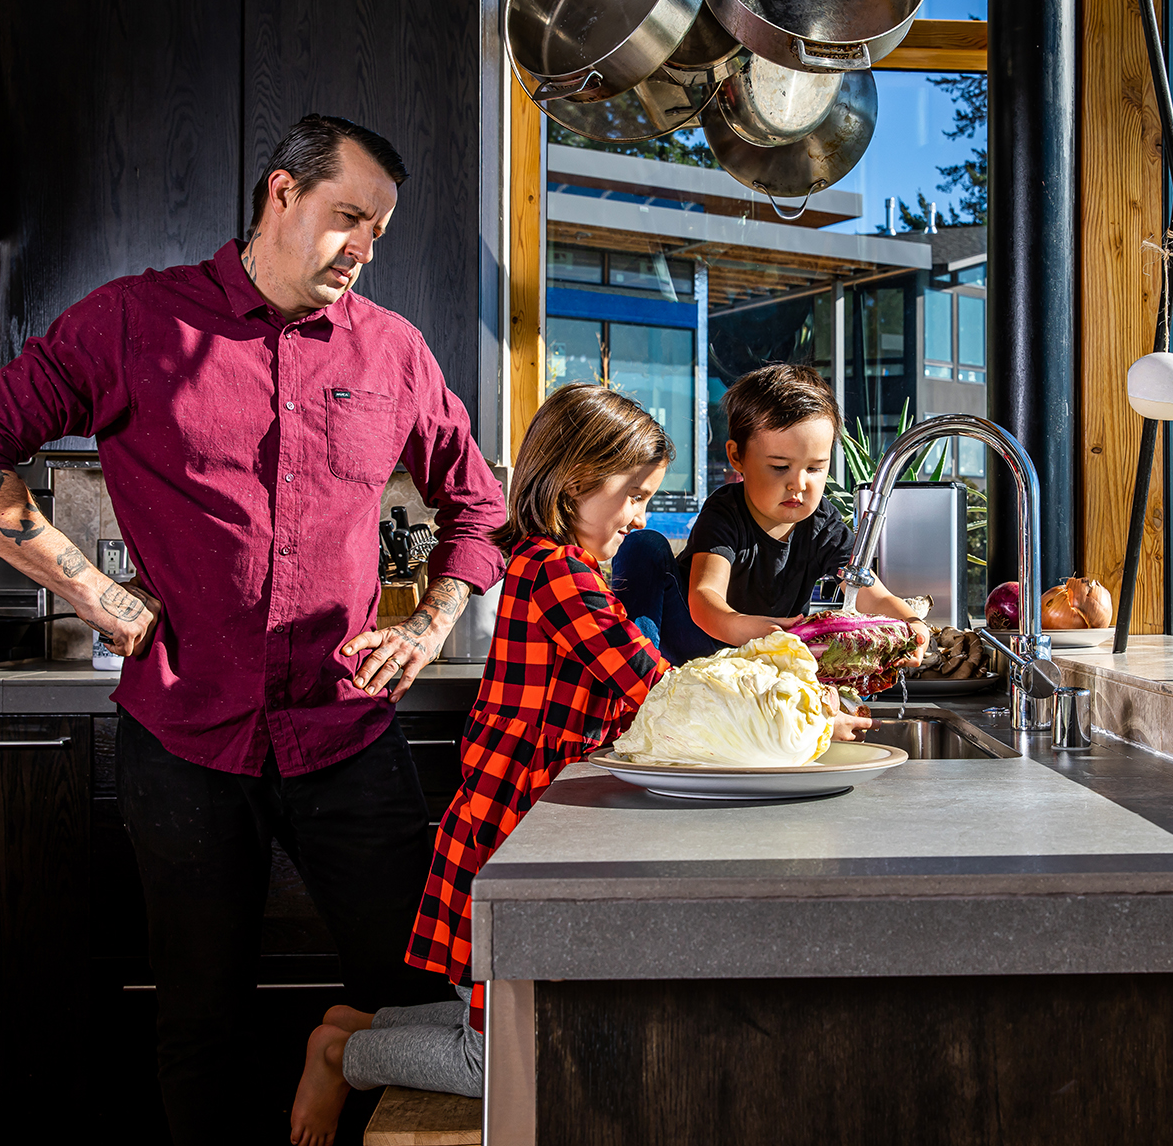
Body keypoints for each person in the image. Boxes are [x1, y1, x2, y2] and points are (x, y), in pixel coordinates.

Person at [0, 114, 508, 1144]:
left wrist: (433, 624)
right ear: (281, 194)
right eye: (348, 217)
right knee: (199, 1018)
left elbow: (480, 507)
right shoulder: (133, 324)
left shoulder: (394, 349)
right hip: (184, 743)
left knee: (418, 1000)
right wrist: (97, 598)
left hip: (349, 736)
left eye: (380, 229)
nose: (364, 246)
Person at [287, 384, 876, 1145]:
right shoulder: (558, 572)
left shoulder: (565, 567)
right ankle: (345, 1053)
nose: (640, 518)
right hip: (511, 838)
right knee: (492, 1057)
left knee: (500, 1000)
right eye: (634, 497)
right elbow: (655, 686)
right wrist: (787, 709)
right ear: (573, 486)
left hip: (516, 829)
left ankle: (357, 1022)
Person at [612, 363, 929, 665]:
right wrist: (754, 631)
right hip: (697, 642)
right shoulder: (725, 512)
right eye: (780, 467)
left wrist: (910, 622)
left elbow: (868, 592)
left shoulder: (823, 523)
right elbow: (703, 598)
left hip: (768, 657)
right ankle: (636, 672)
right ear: (737, 457)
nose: (799, 484)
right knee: (643, 545)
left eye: (815, 468)